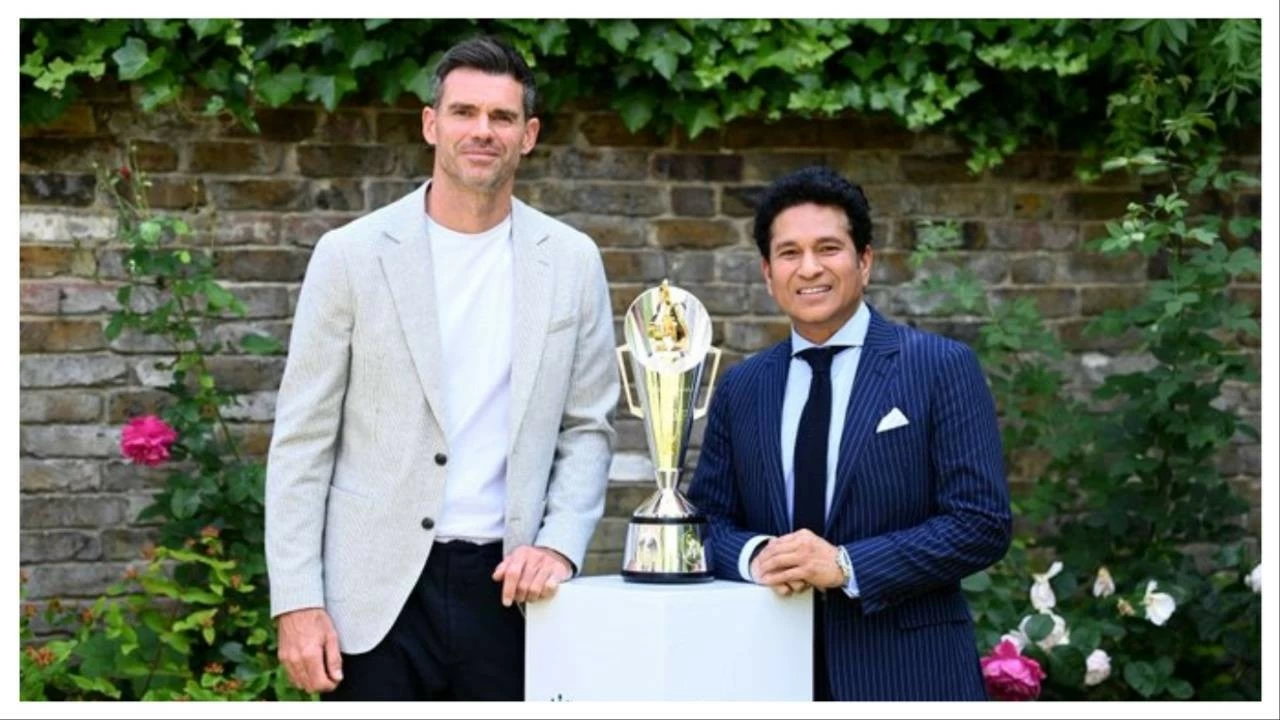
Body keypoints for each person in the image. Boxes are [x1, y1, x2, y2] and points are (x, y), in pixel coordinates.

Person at [264, 36, 618, 701]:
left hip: (510, 589)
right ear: (432, 124)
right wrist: (297, 602)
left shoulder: (572, 261)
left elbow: (588, 427)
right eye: (464, 112)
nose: (482, 131)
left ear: (529, 134)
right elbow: (301, 443)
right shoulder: (351, 255)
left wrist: (561, 545)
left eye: (502, 117)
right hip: (373, 599)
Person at [686, 166, 1011, 701]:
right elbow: (708, 523)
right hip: (768, 672)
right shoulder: (742, 386)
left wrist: (845, 566)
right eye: (789, 253)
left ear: (865, 261)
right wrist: (759, 554)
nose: (809, 268)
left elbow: (981, 523)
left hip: (910, 676)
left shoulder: (939, 366)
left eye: (828, 248)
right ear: (768, 273)